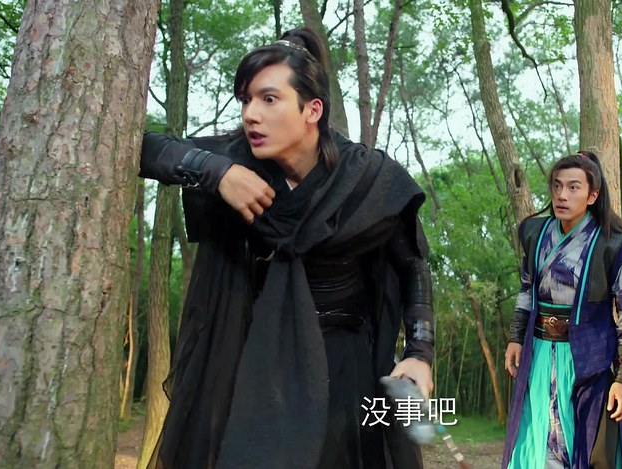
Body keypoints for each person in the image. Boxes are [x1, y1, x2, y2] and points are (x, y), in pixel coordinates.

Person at [138, 27, 434, 469]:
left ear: (312, 109)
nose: (251, 115)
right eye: (246, 100)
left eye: (269, 99)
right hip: (257, 364)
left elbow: (412, 265)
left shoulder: (368, 178)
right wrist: (216, 173)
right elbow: (139, 146)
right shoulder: (233, 160)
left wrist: (420, 353)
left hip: (345, 367)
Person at [501, 151, 622, 469]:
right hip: (539, 354)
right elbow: (527, 289)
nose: (562, 195)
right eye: (557, 186)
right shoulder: (535, 234)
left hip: (588, 359)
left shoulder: (612, 244)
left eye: (573, 187)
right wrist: (516, 336)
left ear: (592, 195)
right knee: (535, 441)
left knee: (583, 446)